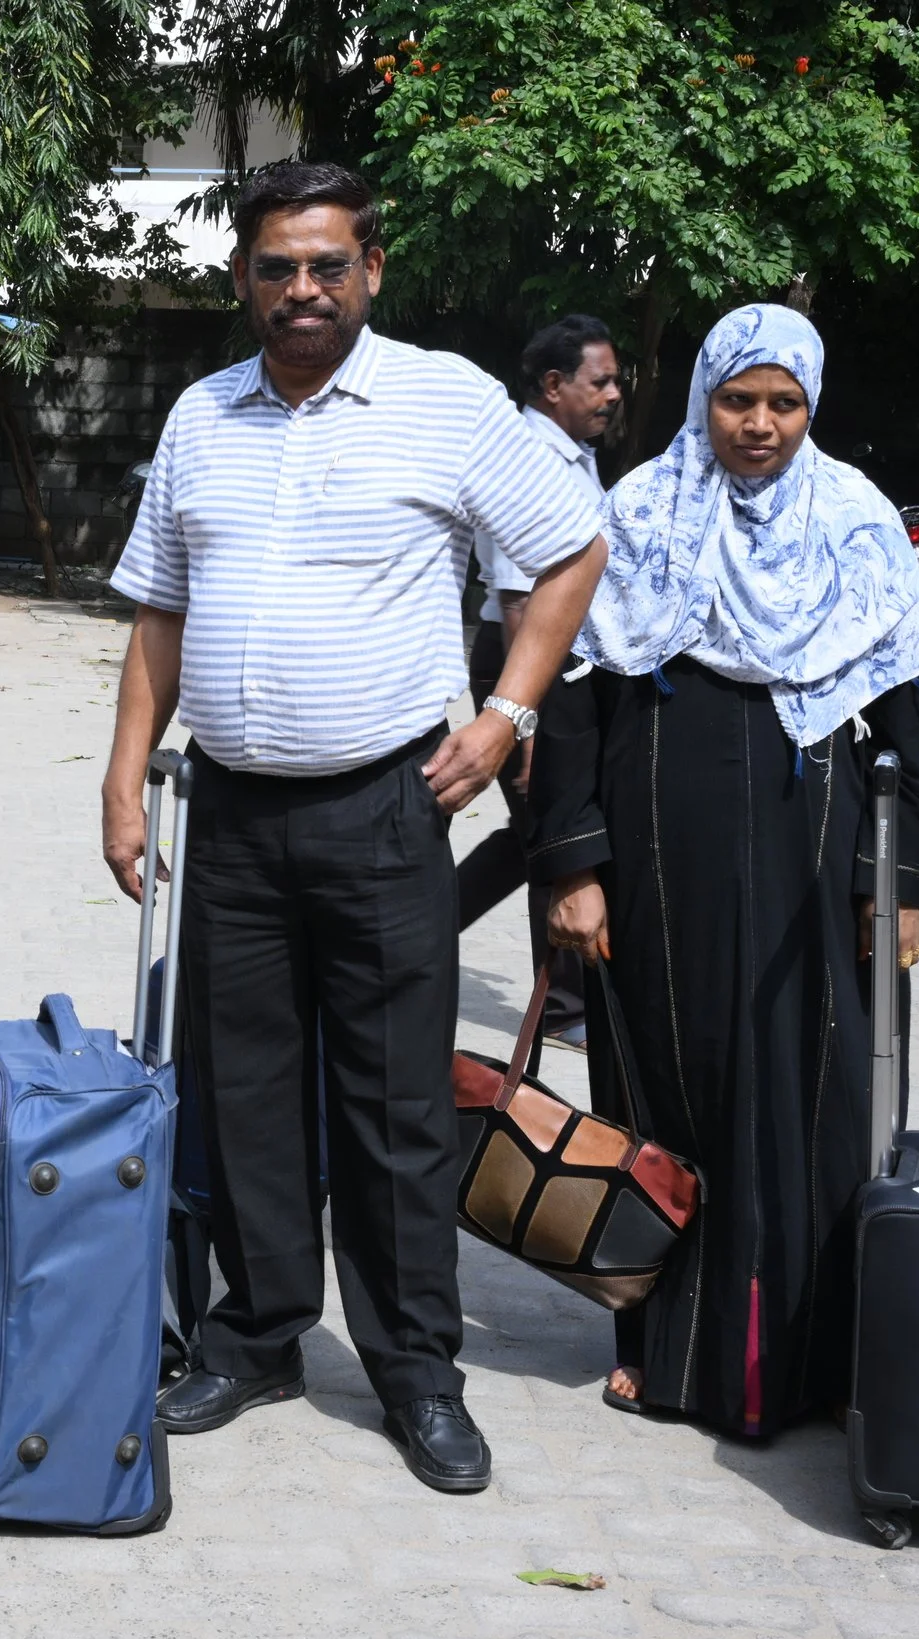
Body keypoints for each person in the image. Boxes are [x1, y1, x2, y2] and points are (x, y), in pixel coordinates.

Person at [101, 161, 608, 1494]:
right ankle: (261, 1330)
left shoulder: (444, 399)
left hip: (386, 803)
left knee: (390, 1103)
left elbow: (570, 548)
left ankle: (414, 1369)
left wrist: (504, 714)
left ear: (371, 271)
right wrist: (121, 771)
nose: (304, 290)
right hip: (231, 814)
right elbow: (159, 604)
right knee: (245, 1085)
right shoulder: (204, 415)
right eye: (278, 267)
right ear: (243, 281)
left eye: (328, 265)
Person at [529, 303, 919, 1434]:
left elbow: (912, 710)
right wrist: (573, 862)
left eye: (783, 403)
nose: (758, 425)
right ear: (702, 398)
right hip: (656, 853)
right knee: (661, 1082)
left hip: (813, 852)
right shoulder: (639, 511)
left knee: (815, 1091)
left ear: (812, 407)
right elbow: (570, 697)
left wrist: (900, 884)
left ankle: (809, 1359)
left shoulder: (855, 521)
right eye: (737, 399)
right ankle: (657, 1348)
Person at [455, 315, 623, 1046]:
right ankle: (562, 1010)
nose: (614, 394)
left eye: (617, 380)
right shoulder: (524, 454)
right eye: (601, 381)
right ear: (553, 386)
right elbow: (523, 597)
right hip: (524, 658)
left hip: (560, 664)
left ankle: (412, 930)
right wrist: (523, 716)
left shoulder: (571, 453)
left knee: (536, 832)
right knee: (552, 830)